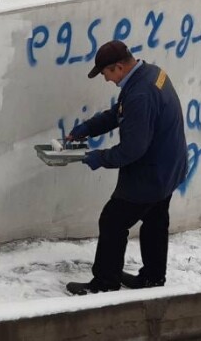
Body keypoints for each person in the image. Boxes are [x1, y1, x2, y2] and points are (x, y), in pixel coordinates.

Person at [64, 40, 188, 296]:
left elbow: (133, 149)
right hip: (169, 166)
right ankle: (153, 278)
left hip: (151, 173)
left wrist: (99, 158)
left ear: (118, 67)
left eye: (106, 74)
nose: (106, 80)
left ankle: (104, 283)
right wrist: (88, 128)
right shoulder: (150, 73)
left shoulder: (141, 93)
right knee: (155, 220)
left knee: (112, 221)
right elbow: (121, 113)